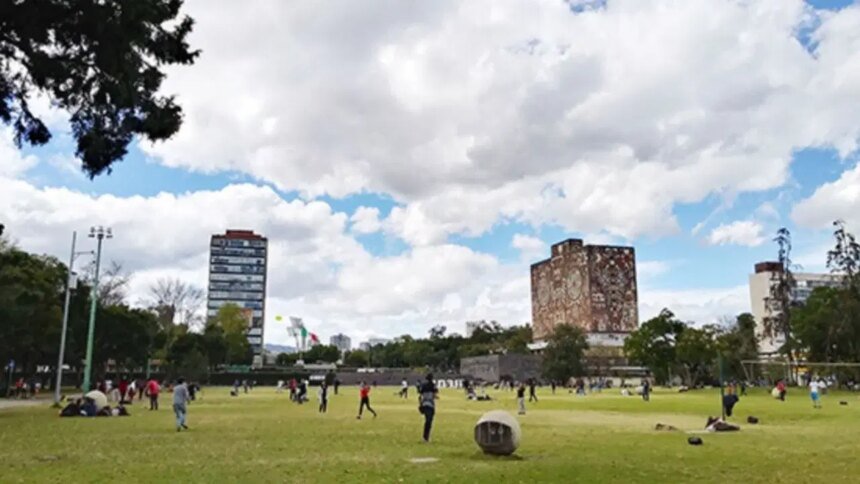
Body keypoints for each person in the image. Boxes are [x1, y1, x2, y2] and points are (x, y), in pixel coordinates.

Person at [418, 373, 438, 442]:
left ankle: (425, 437)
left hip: (425, 404)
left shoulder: (423, 385)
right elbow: (435, 394)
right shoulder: (433, 385)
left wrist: (420, 404)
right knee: (429, 421)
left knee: (427, 421)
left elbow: (420, 396)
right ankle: (426, 437)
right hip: (430, 405)